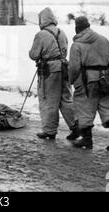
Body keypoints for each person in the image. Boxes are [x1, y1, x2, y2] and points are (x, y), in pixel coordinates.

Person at [68, 16, 109, 151]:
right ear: (88, 26)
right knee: (107, 108)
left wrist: (71, 80)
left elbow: (74, 67)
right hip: (105, 81)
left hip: (86, 82)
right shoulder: (103, 40)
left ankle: (87, 140)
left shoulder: (76, 45)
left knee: (84, 109)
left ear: (77, 28)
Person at [28, 8, 78, 140]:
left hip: (49, 71)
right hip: (64, 68)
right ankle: (76, 126)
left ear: (42, 20)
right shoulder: (62, 32)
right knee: (66, 99)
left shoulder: (41, 34)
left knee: (48, 100)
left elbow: (33, 54)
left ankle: (49, 131)